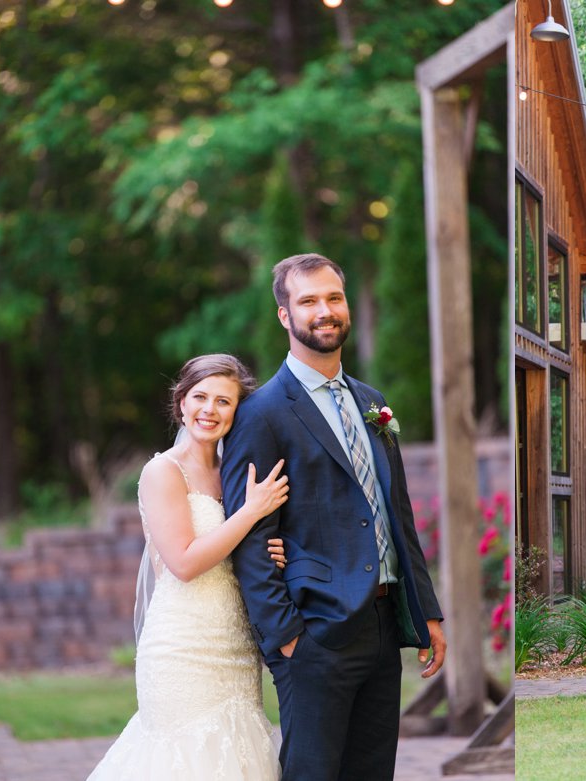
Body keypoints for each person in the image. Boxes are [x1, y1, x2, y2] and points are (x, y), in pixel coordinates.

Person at [221, 252, 446, 781]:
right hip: (314, 633)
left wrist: (426, 613)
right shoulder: (261, 413)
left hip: (383, 625)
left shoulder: (372, 401)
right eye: (308, 301)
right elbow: (250, 536)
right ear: (285, 315)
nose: (324, 310)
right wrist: (287, 637)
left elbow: (397, 516)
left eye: (333, 297)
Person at [88, 354, 291, 780]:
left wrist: (270, 551)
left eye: (223, 401)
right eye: (200, 397)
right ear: (181, 402)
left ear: (237, 411)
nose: (209, 410)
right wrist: (250, 512)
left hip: (235, 644)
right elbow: (182, 562)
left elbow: (236, 545)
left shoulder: (233, 471)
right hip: (182, 647)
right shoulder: (163, 471)